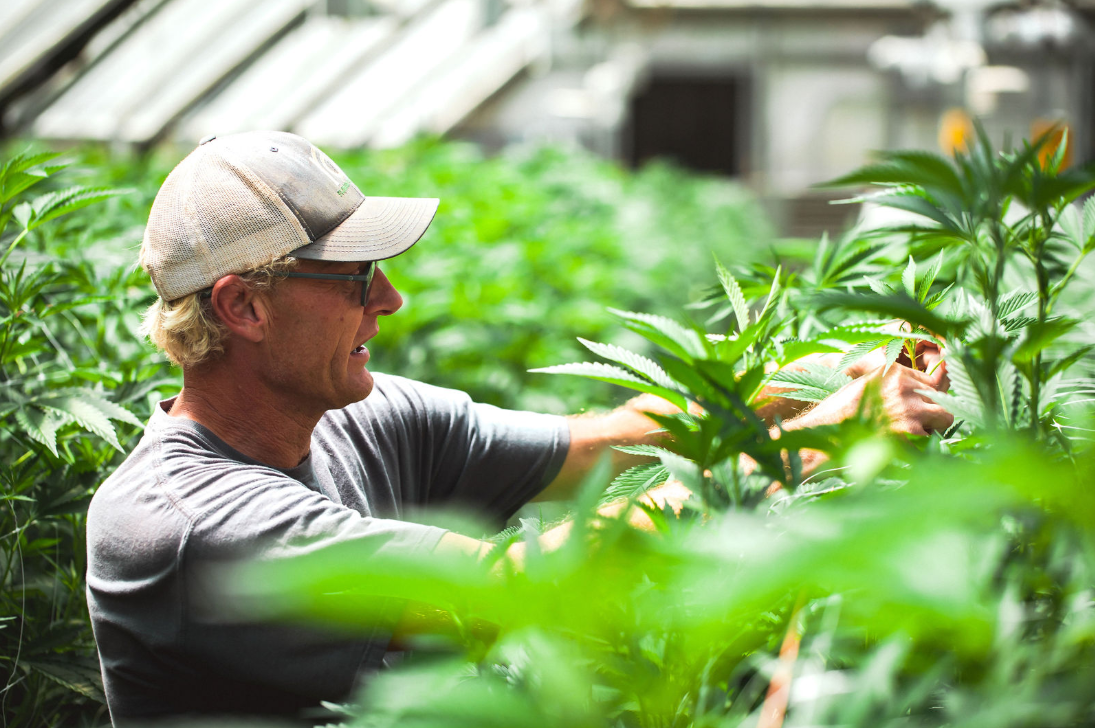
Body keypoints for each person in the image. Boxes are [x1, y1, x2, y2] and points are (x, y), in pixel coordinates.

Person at [85, 131, 953, 726]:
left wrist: (816, 383)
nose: (389, 300)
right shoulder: (185, 523)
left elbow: (600, 441)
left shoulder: (357, 415)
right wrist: (813, 447)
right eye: (355, 279)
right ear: (244, 307)